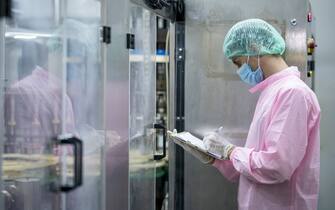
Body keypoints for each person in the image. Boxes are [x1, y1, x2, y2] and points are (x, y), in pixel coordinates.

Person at [171, 19, 320, 210]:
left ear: (254, 47)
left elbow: (276, 167)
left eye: (238, 62)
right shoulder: (273, 91)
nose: (239, 70)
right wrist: (217, 158)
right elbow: (255, 164)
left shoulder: (293, 93)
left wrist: (230, 151)